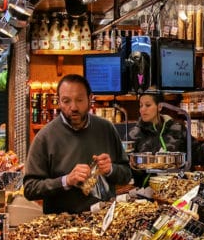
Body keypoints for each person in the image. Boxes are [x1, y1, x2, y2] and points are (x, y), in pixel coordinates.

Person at [24, 74, 131, 214]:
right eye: (66, 101)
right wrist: (66, 181)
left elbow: (127, 174)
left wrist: (111, 169)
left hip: (105, 223)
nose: (73, 107)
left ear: (90, 99)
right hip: (61, 227)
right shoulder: (44, 137)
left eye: (79, 100)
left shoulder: (106, 129)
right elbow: (30, 189)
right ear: (59, 102)